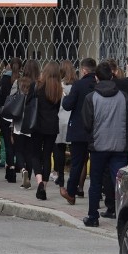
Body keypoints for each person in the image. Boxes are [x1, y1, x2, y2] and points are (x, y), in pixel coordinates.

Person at [81, 61, 128, 227]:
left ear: (96, 77)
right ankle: (121, 217)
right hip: (120, 145)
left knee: (95, 182)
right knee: (119, 183)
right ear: (112, 75)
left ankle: (92, 216)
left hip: (98, 145)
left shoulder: (91, 98)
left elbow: (87, 123)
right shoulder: (123, 96)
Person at [59, 57, 97, 205]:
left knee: (77, 163)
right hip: (96, 130)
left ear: (83, 70)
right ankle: (97, 193)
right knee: (96, 163)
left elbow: (68, 105)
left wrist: (66, 97)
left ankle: (71, 192)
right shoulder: (98, 84)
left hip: (79, 130)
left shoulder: (79, 85)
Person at [29, 61, 62, 200]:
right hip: (52, 125)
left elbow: (28, 102)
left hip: (37, 124)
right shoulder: (58, 89)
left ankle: (39, 182)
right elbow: (58, 107)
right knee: (47, 155)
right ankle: (45, 186)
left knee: (35, 154)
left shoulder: (37, 85)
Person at [12, 59, 41, 189]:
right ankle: (28, 178)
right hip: (33, 121)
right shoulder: (39, 84)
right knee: (30, 151)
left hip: (19, 120)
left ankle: (22, 169)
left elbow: (11, 99)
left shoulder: (18, 82)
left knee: (18, 148)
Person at [0, 58, 22, 183]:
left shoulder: (3, 79)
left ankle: (10, 169)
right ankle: (18, 166)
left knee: (7, 142)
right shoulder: (22, 81)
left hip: (4, 115)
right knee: (16, 142)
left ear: (10, 66)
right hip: (18, 115)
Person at [53, 59, 76, 188]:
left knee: (59, 150)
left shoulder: (58, 85)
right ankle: (72, 177)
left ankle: (60, 177)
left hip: (60, 120)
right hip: (72, 121)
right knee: (74, 152)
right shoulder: (76, 86)